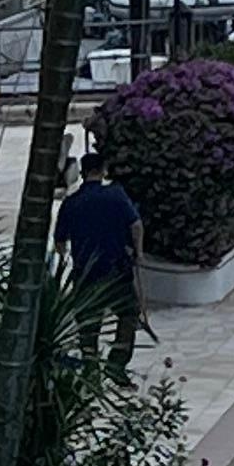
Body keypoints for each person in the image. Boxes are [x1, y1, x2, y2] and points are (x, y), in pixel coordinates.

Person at [53, 144, 143, 372]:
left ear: (82, 173)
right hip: (116, 270)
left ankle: (91, 367)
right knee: (128, 313)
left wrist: (65, 260)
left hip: (85, 272)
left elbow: (60, 242)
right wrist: (138, 252)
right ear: (103, 171)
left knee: (88, 323)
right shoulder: (116, 195)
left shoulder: (71, 203)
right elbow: (136, 225)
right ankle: (116, 362)